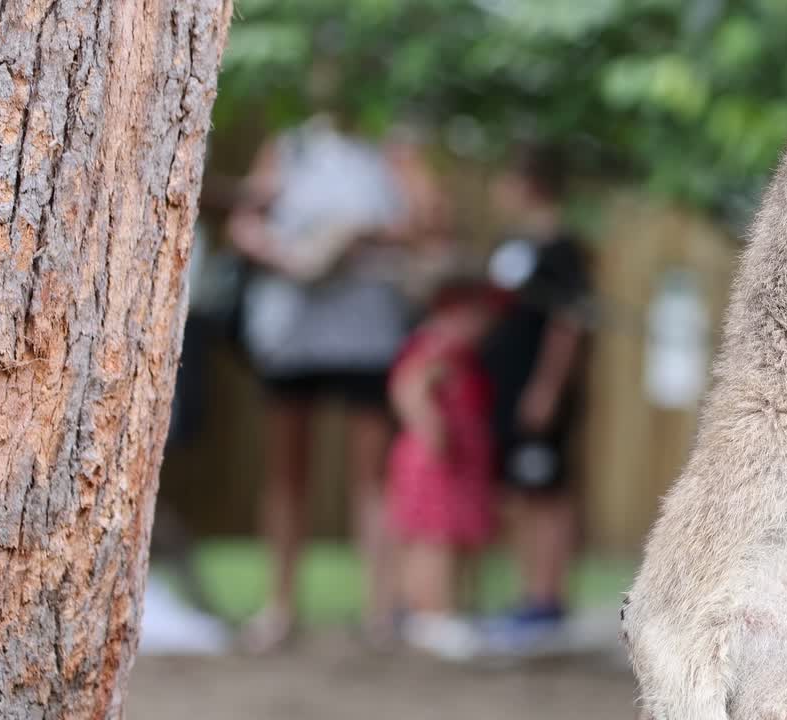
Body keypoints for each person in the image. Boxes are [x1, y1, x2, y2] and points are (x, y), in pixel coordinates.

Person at [227, 115, 447, 652]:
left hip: (366, 335)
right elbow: (244, 223)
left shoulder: (395, 148)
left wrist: (360, 233)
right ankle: (278, 608)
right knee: (286, 475)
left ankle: (379, 612)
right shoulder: (291, 145)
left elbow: (429, 227)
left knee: (370, 476)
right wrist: (281, 252)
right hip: (292, 335)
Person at [478, 143, 591, 651]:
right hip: (507, 391)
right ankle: (529, 596)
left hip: (538, 396)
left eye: (504, 180)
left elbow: (569, 321)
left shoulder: (561, 248)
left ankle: (547, 600)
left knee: (545, 491)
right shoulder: (513, 248)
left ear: (529, 185)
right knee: (521, 493)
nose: (496, 191)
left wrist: (546, 388)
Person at [386, 279, 508, 660]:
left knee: (456, 537)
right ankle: (430, 613)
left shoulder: (459, 352)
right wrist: (432, 429)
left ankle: (452, 610)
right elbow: (409, 387)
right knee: (433, 538)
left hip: (459, 459)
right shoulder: (437, 346)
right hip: (437, 460)